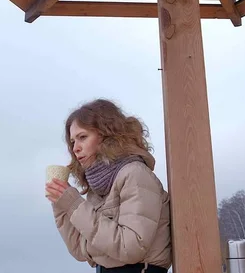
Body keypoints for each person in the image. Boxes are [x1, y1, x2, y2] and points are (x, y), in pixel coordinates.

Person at [45, 99, 172, 273]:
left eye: (82, 137)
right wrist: (61, 204)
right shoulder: (98, 188)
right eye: (73, 141)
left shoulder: (135, 174)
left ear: (107, 135)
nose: (75, 148)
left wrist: (74, 204)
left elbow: (130, 247)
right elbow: (80, 250)